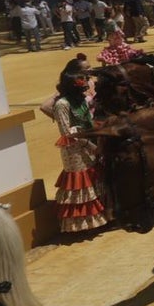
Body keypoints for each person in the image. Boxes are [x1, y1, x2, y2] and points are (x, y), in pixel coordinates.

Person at [52, 65, 110, 234]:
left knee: (94, 178)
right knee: (80, 182)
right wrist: (88, 144)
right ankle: (80, 226)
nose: (86, 83)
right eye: (82, 80)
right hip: (75, 150)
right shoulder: (61, 104)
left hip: (90, 143)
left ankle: (100, 218)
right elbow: (66, 132)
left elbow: (89, 121)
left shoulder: (81, 100)